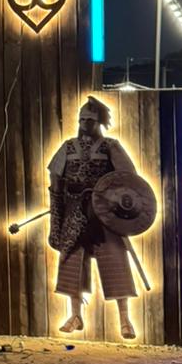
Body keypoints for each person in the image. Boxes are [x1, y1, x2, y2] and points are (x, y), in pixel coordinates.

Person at [47, 97, 144, 340]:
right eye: (81, 119)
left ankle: (125, 319)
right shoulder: (68, 147)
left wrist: (112, 199)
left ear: (98, 122)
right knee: (72, 265)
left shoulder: (110, 146)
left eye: (89, 120)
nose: (84, 124)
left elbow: (128, 178)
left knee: (116, 264)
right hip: (75, 214)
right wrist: (56, 222)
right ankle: (75, 315)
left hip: (104, 215)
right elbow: (55, 185)